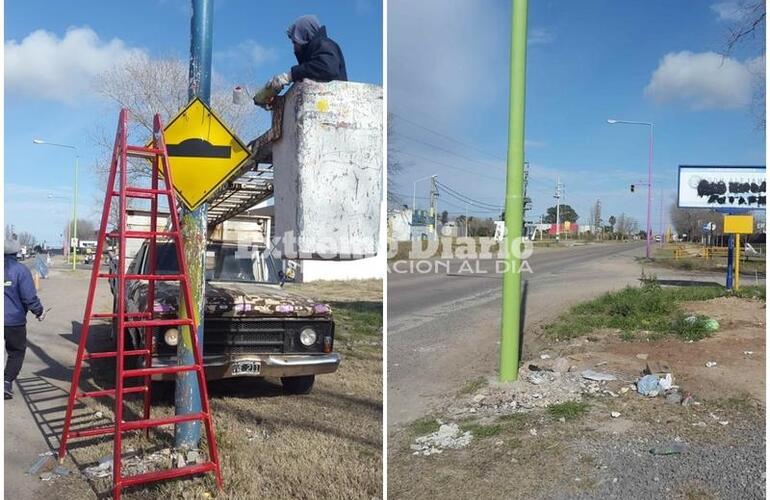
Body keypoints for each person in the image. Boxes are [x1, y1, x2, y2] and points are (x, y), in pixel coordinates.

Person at [264, 14, 348, 95]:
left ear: (304, 36)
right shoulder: (313, 53)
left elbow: (328, 67)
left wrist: (289, 76)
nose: (294, 47)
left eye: (295, 41)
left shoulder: (324, 44)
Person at [4, 239, 44, 399]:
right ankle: (6, 382)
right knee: (16, 352)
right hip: (14, 321)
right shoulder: (20, 270)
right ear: (16, 252)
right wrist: (39, 311)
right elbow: (28, 296)